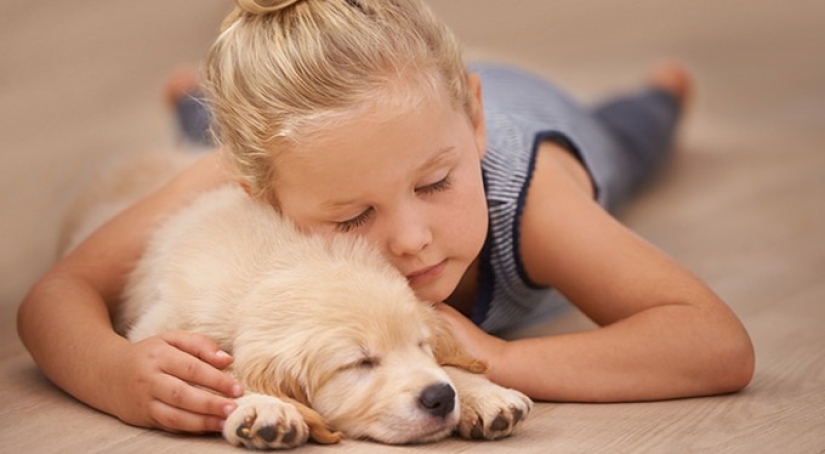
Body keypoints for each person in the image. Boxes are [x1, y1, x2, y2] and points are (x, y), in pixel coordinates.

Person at [17, 0, 754, 435]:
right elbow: (55, 296)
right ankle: (194, 98)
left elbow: (713, 345)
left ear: (470, 121)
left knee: (630, 137)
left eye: (435, 185)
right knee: (201, 136)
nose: (410, 238)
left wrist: (499, 361)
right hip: (377, 121)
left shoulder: (524, 200)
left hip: (546, 116)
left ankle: (663, 90)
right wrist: (118, 375)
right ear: (260, 195)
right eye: (351, 215)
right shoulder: (243, 176)